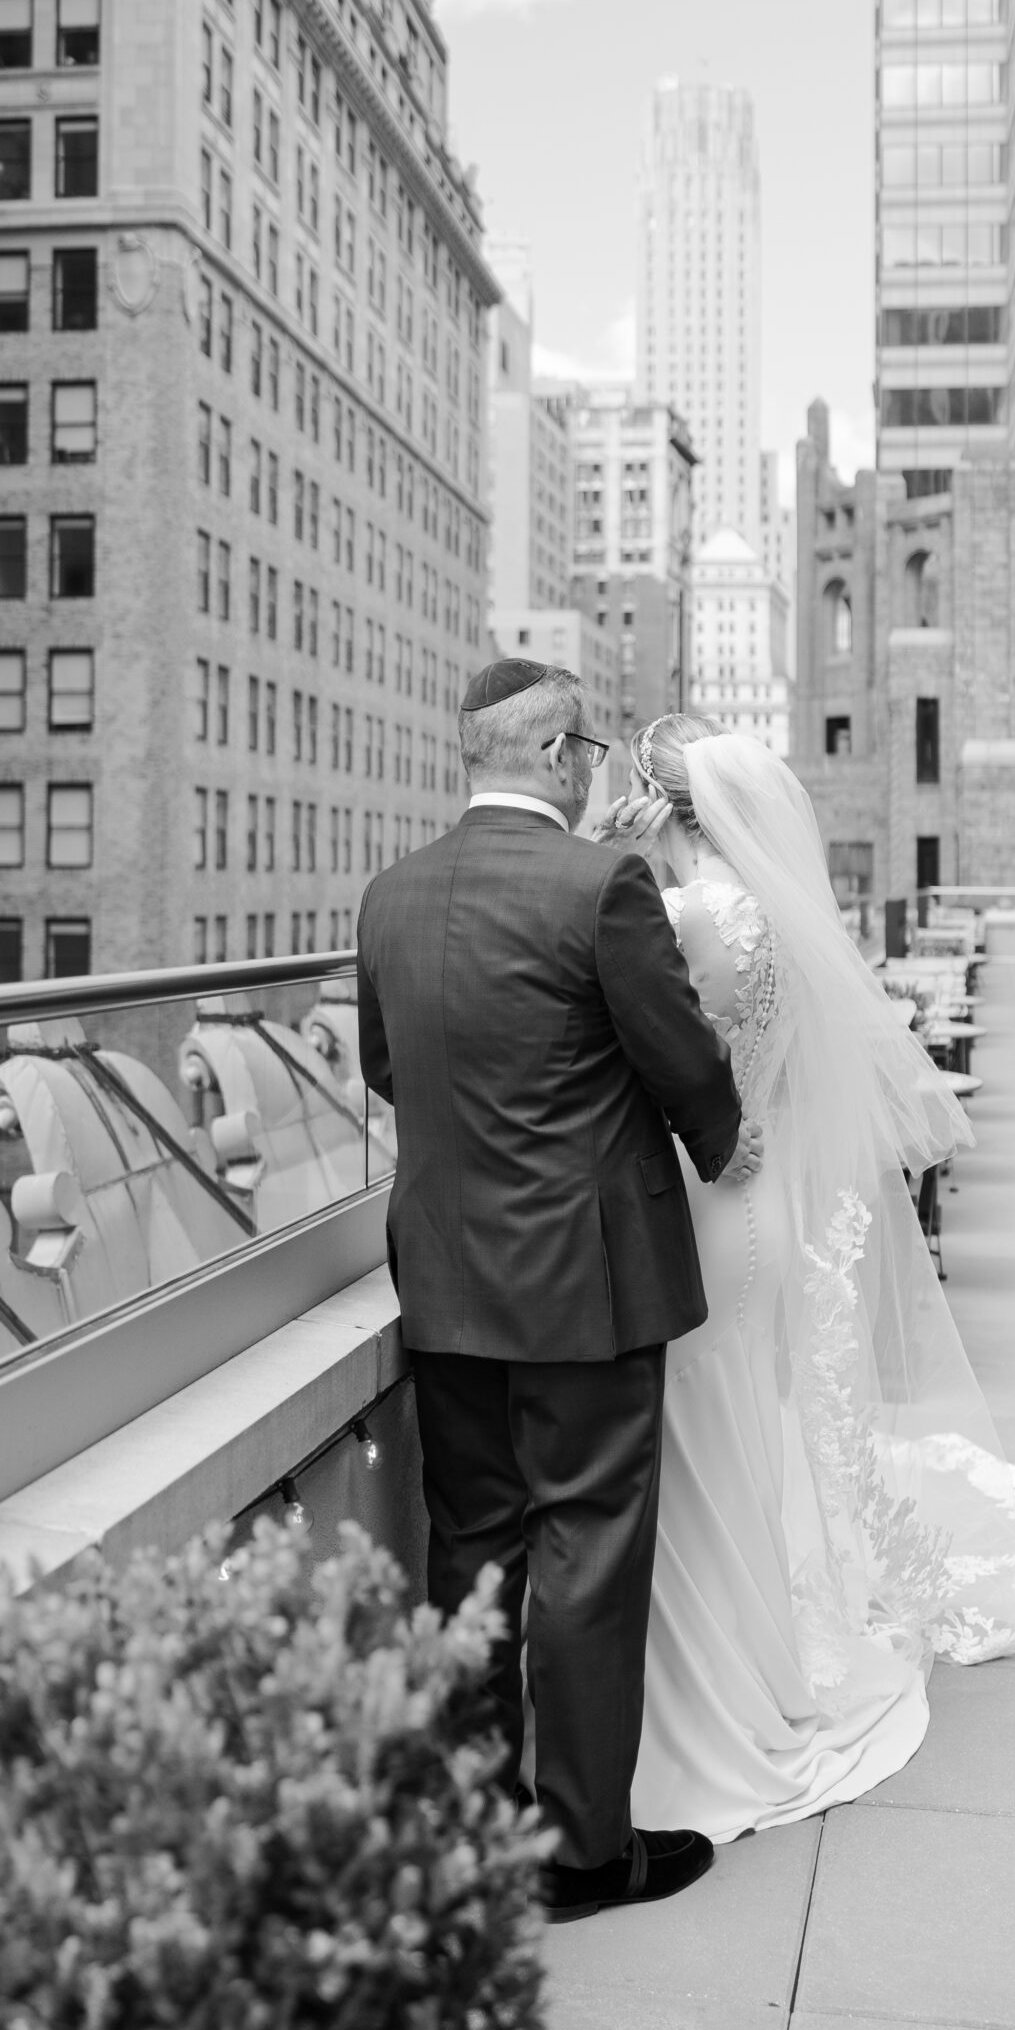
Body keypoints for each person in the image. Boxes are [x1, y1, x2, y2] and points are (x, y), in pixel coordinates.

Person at [604, 714, 1015, 1841]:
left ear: (668, 811)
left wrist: (622, 862)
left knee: (700, 1449)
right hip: (752, 1199)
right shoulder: (757, 911)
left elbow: (645, 1039)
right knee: (727, 1437)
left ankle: (718, 1688)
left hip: (709, 1209)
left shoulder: (691, 914)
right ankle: (744, 1652)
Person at [355, 659, 763, 1922]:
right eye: (584, 747)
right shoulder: (603, 887)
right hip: (584, 1286)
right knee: (588, 1550)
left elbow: (386, 1069)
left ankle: (476, 1825)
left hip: (446, 1279)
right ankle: (585, 1851)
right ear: (551, 754)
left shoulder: (390, 895)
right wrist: (722, 1143)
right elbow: (679, 1053)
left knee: (470, 1549)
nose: (594, 767)